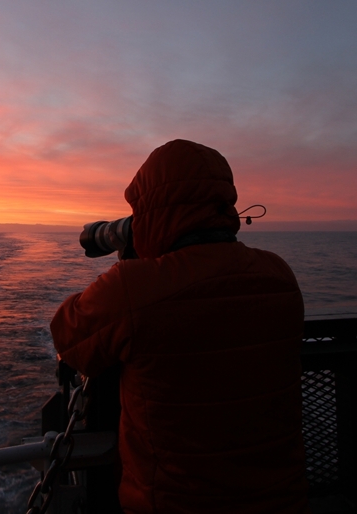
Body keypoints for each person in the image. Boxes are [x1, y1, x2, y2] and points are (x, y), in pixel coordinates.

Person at [50, 139, 309, 514]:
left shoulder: (134, 288)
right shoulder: (279, 274)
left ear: (153, 211)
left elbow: (67, 333)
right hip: (283, 499)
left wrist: (132, 265)